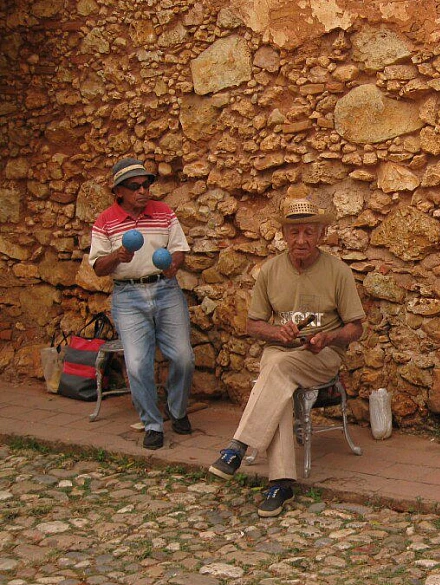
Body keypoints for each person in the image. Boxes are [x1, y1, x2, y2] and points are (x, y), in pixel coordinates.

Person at [208, 196, 365, 518]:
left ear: (321, 234)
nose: (301, 240)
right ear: (284, 235)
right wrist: (274, 333)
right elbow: (253, 324)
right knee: (277, 373)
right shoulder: (270, 271)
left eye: (309, 232)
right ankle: (280, 483)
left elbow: (356, 328)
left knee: (276, 369)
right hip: (281, 352)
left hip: (321, 357)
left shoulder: (338, 271)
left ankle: (238, 446)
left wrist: (329, 337)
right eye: (294, 233)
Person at [88, 158, 195, 450]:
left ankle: (177, 410)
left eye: (146, 185)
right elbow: (98, 267)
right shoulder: (105, 220)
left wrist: (173, 265)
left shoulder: (163, 212)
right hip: (128, 296)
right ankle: (152, 423)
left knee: (184, 357)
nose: (143, 191)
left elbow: (178, 249)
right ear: (118, 191)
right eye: (134, 186)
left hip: (165, 290)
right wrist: (118, 256)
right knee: (137, 364)